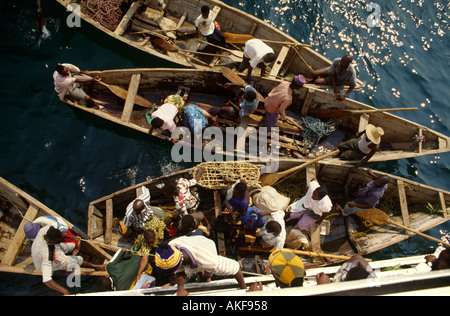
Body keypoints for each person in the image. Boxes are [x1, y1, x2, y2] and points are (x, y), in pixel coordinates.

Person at [155, 236, 247, 296]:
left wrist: (244, 290)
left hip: (207, 246)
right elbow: (179, 270)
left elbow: (235, 267)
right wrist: (181, 289)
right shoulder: (170, 248)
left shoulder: (208, 261)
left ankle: (205, 276)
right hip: (194, 241)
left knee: (208, 274)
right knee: (196, 270)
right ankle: (200, 275)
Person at [31, 226, 106, 295]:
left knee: (72, 245)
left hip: (51, 247)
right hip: (47, 263)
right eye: (60, 239)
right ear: (54, 240)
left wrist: (71, 237)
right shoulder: (47, 256)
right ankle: (95, 267)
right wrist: (64, 291)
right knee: (78, 259)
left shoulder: (45, 230)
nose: (63, 239)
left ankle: (70, 254)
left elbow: (61, 235)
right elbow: (47, 280)